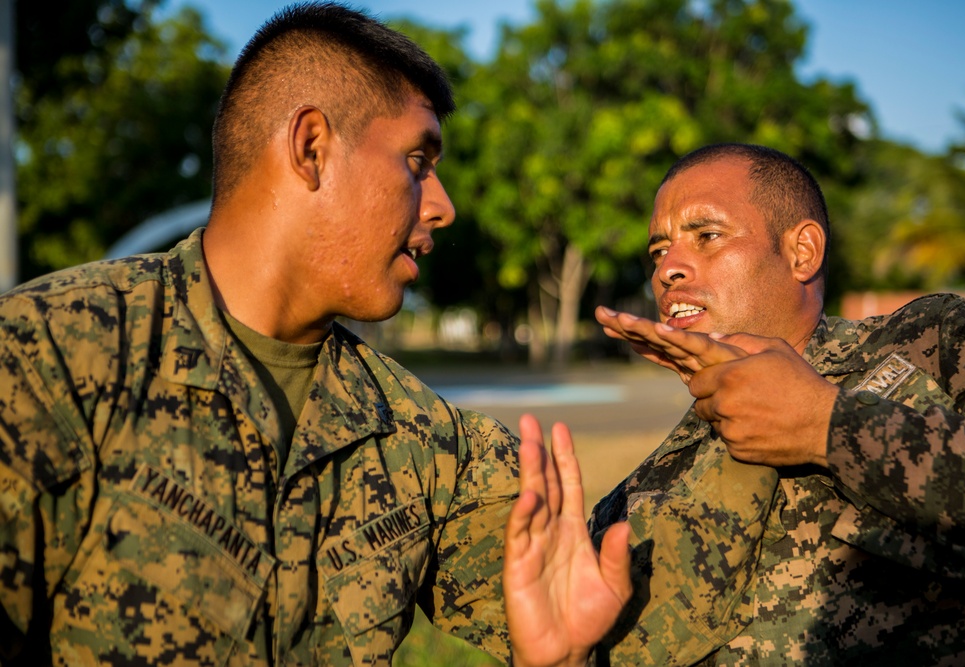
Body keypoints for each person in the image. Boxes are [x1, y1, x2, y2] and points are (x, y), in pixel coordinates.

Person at [0, 3, 630, 665]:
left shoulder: (425, 440)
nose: (442, 206)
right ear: (311, 147)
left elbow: (605, 605)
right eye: (418, 160)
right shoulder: (49, 359)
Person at [590, 142, 965, 665]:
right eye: (658, 250)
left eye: (707, 236)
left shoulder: (935, 341)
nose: (667, 268)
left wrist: (830, 425)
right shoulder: (640, 494)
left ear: (802, 251)